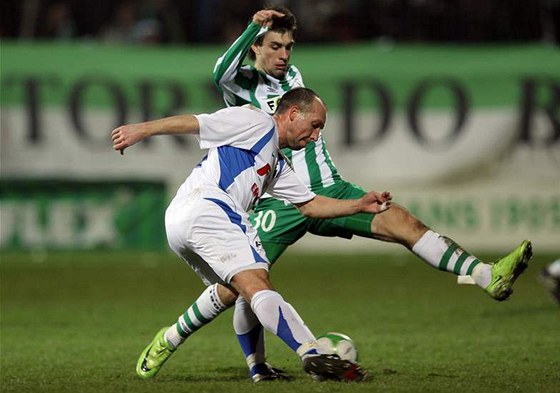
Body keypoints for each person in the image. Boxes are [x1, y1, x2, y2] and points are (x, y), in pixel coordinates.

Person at [128, 6, 533, 383]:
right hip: (277, 202)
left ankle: (486, 275)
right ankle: (224, 355)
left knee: (404, 223)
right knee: (241, 286)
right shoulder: (244, 89)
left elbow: (304, 144)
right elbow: (220, 71)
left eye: (288, 46)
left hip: (324, 189)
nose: (284, 54)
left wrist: (359, 201)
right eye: (274, 46)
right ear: (256, 48)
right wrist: (254, 26)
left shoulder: (294, 82)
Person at [112, 87, 388, 382]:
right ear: (293, 114)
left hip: (182, 220)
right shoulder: (255, 121)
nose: (316, 136)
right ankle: (311, 352)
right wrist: (141, 130)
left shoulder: (276, 163)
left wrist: (358, 205)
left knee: (241, 288)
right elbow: (197, 122)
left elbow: (309, 205)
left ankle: (183, 343)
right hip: (211, 206)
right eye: (315, 125)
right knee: (257, 284)